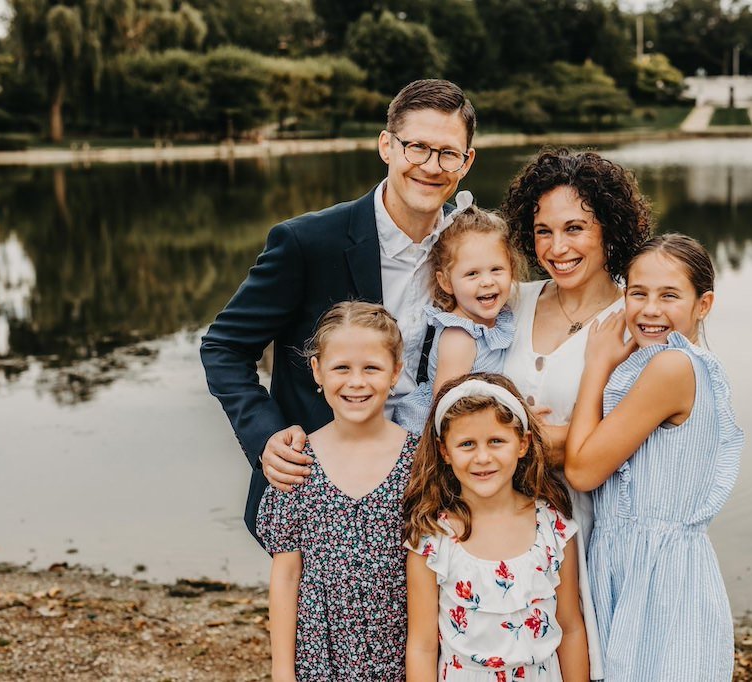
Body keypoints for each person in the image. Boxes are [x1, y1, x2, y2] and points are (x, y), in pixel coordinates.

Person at [200, 79, 476, 541]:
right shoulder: (307, 242)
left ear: (467, 162)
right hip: (321, 490)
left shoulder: (472, 251)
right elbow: (224, 347)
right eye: (417, 148)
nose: (431, 166)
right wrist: (267, 435)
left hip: (436, 488)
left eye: (447, 153)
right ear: (386, 146)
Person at [500, 148, 651, 680]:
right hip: (503, 525)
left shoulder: (635, 322)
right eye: (543, 231)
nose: (557, 248)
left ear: (609, 229)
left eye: (574, 228)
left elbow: (620, 447)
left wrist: (521, 436)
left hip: (591, 529)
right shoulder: (508, 302)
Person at [564, 234, 744, 681]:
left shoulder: (671, 368)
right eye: (637, 293)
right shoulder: (671, 363)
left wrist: (597, 365)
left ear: (703, 305)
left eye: (669, 296)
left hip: (660, 583)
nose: (649, 310)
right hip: (638, 565)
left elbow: (583, 470)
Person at [256, 302, 417, 681]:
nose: (356, 382)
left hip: (398, 650)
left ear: (396, 372)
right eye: (341, 368)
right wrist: (283, 671)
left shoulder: (419, 461)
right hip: (319, 655)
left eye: (372, 368)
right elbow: (286, 574)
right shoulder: (297, 462)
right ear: (317, 371)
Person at [404, 373, 589, 681]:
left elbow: (570, 628)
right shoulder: (433, 540)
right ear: (445, 451)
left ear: (522, 443)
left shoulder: (552, 529)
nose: (482, 457)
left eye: (496, 441)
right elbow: (422, 646)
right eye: (466, 444)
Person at [391, 206, 522, 434]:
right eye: (472, 274)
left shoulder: (500, 319)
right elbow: (449, 405)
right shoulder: (459, 337)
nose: (487, 281)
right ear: (446, 282)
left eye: (496, 269)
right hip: (447, 435)